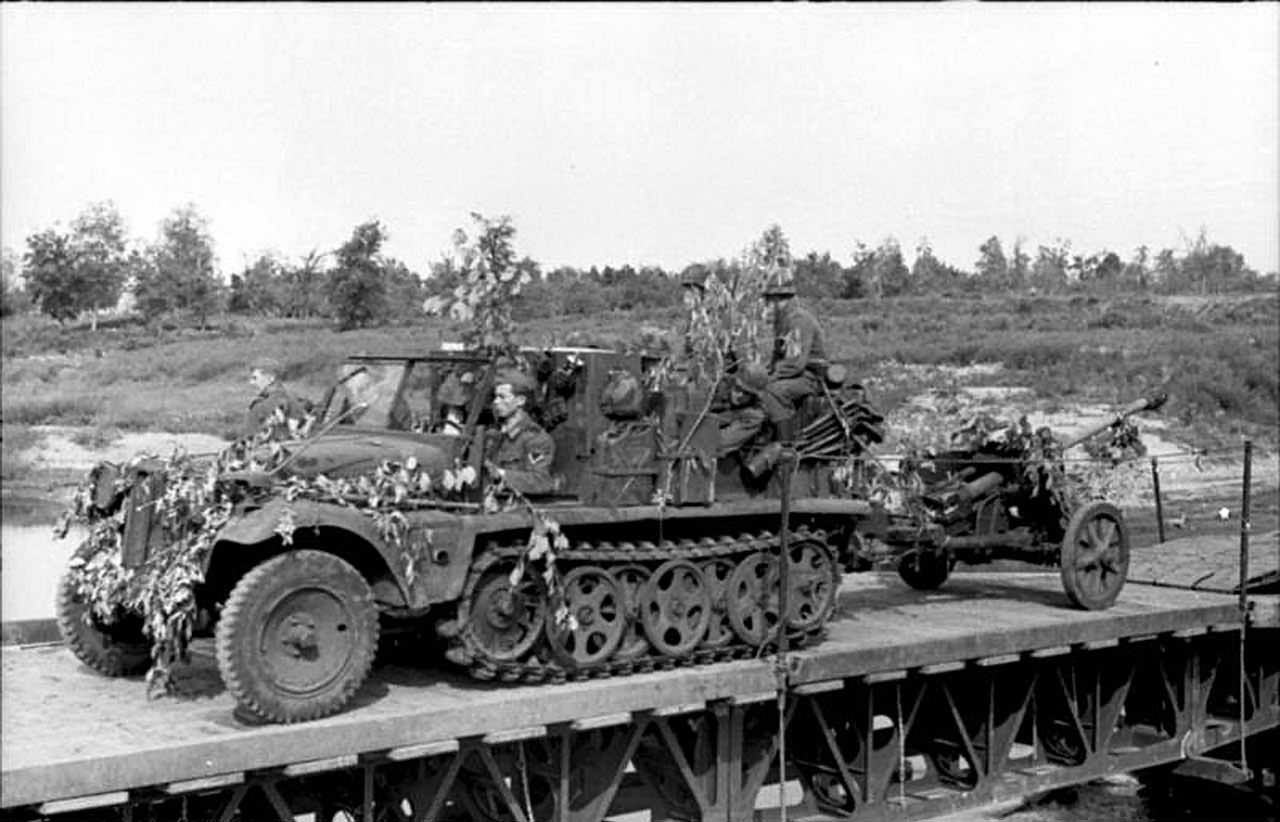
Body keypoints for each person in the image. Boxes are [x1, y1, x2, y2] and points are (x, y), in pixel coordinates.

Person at [759, 274, 827, 442]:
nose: (767, 306)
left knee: (771, 391)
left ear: (778, 300)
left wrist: (767, 380)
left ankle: (785, 445)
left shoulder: (798, 321)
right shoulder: (783, 322)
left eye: (769, 301)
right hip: (797, 375)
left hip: (809, 377)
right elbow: (776, 361)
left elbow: (794, 364)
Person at [485, 371, 557, 495]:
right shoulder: (493, 435)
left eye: (502, 397)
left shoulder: (536, 438)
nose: (496, 402)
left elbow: (541, 481)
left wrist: (501, 474)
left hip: (519, 507)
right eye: (495, 397)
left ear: (520, 401)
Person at [241, 356, 307, 439]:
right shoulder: (285, 396)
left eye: (255, 378)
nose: (251, 383)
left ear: (271, 378)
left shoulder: (274, 401)